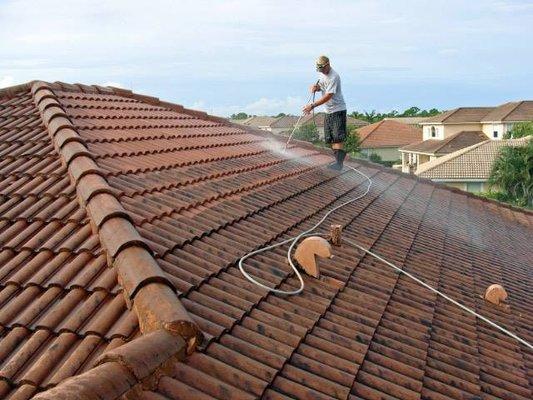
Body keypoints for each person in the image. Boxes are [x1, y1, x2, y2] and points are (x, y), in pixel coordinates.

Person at [303, 55, 347, 170]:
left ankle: (339, 164)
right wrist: (316, 88)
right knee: (330, 138)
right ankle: (337, 161)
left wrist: (312, 105)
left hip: (338, 110)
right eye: (319, 69)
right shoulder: (322, 74)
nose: (321, 71)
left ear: (328, 64)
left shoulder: (334, 77)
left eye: (322, 69)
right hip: (328, 111)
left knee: (337, 137)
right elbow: (322, 87)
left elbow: (328, 96)